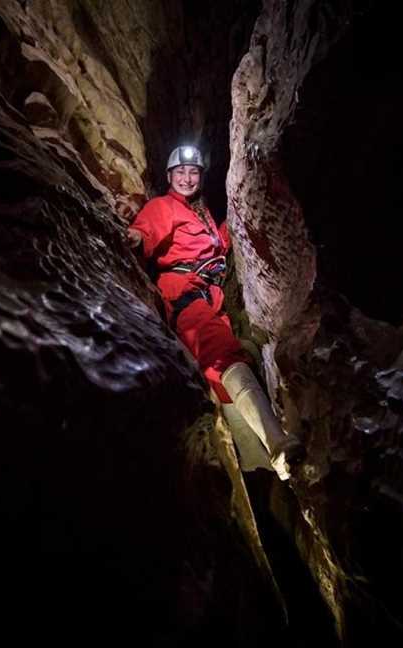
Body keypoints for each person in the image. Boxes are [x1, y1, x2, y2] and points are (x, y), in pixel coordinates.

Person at [127, 145, 303, 480]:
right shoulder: (163, 206)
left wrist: (240, 215)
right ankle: (278, 445)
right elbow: (146, 229)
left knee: (223, 368)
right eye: (181, 172)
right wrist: (134, 235)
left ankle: (257, 467)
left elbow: (219, 245)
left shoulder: (202, 214)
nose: (187, 178)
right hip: (185, 296)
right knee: (225, 359)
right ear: (169, 176)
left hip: (211, 297)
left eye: (193, 172)